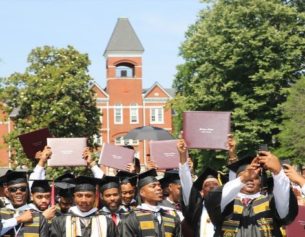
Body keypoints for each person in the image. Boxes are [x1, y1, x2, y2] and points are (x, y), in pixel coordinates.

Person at [205, 152, 298, 237]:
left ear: (262, 181)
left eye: (256, 177)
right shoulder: (228, 203)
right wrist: (243, 178)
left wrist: (278, 173)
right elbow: (212, 199)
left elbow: (284, 207)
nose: (250, 179)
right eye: (246, 176)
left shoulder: (271, 201)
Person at [50, 175, 116, 237]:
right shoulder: (60, 221)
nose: (84, 200)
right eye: (79, 196)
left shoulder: (107, 222)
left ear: (95, 198)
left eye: (88, 196)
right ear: (74, 197)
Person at [122, 169, 181, 237]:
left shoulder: (171, 215)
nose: (159, 188)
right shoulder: (131, 217)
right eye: (153, 186)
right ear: (142, 192)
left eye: (159, 185)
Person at [0, 170, 49, 236]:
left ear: (28, 191)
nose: (18, 192)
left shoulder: (39, 217)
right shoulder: (1, 214)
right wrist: (18, 219)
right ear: (7, 192)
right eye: (13, 189)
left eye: (23, 189)